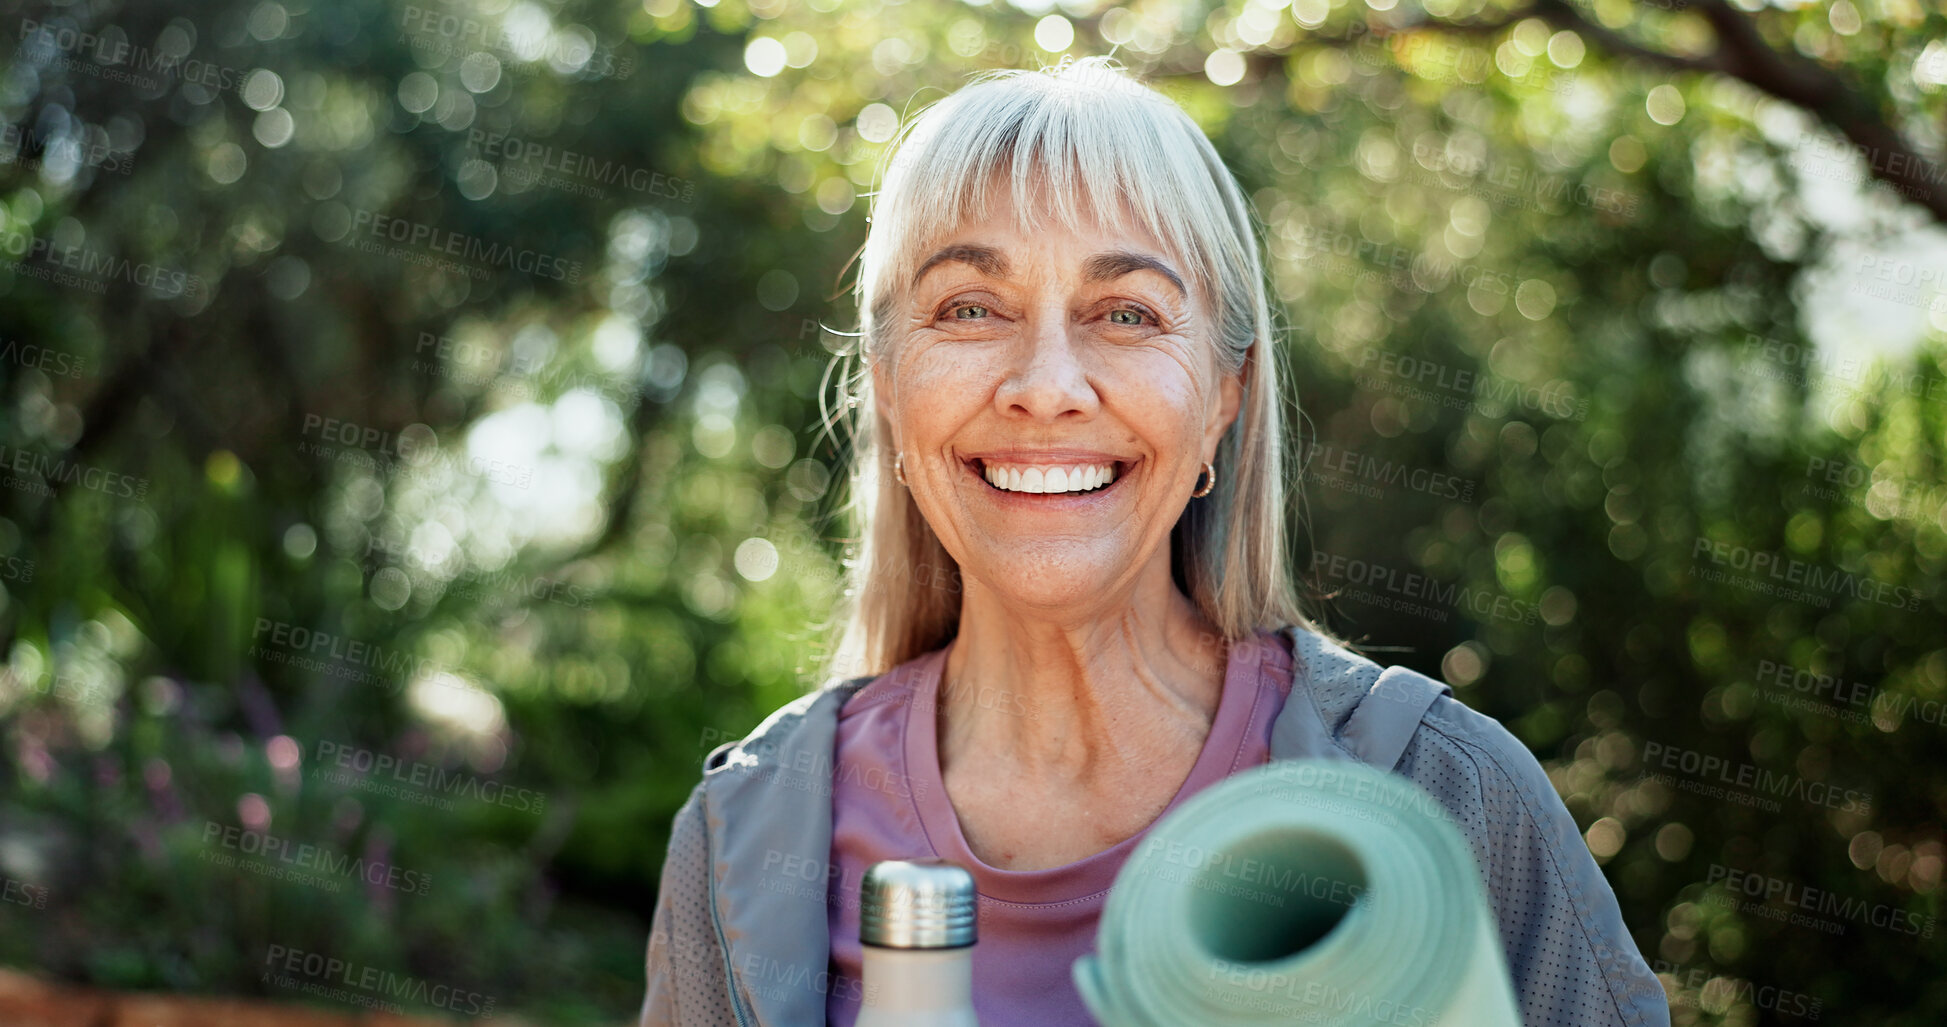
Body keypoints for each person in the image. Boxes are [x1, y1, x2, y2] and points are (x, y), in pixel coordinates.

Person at [639, 56, 1669, 1027]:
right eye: (968, 306)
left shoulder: (1446, 791)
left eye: (1127, 312)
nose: (1046, 386)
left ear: (1226, 392)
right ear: (890, 381)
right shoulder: (748, 834)